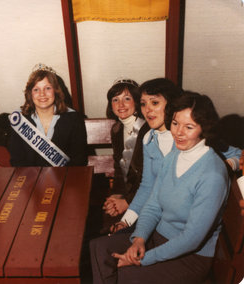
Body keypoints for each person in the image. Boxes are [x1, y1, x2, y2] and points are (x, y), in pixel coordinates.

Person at [90, 92, 230, 284]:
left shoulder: (212, 175)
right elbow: (153, 204)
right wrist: (139, 238)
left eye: (189, 127)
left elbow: (191, 239)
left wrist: (144, 258)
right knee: (99, 248)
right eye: (175, 123)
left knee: (125, 275)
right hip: (158, 235)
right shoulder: (174, 155)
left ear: (204, 129)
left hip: (190, 257)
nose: (178, 132)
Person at [110, 78, 241, 233]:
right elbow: (147, 187)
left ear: (170, 104)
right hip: (157, 216)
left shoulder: (188, 137)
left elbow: (239, 155)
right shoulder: (149, 138)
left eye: (155, 103)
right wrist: (126, 221)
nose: (147, 110)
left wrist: (227, 165)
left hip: (186, 225)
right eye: (143, 103)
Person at [8, 63, 88, 167]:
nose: (42, 94)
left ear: (56, 90)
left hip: (65, 179)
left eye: (48, 88)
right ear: (30, 93)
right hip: (32, 179)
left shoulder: (73, 119)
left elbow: (79, 160)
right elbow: (17, 161)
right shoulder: (20, 121)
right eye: (36, 89)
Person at [101, 79, 150, 230]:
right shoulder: (116, 129)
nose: (120, 105)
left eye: (127, 98)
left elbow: (149, 177)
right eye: (115, 100)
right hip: (127, 195)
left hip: (147, 200)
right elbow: (119, 168)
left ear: (136, 102)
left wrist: (127, 202)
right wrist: (116, 196)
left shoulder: (147, 129)